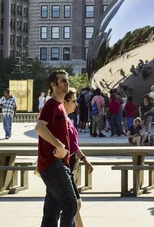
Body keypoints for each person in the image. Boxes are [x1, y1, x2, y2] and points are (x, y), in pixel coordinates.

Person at [34, 70, 78, 227]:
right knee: (70, 204)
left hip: (57, 165)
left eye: (67, 80)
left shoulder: (60, 106)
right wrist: (58, 145)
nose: (66, 83)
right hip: (54, 165)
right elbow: (39, 127)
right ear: (53, 85)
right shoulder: (51, 105)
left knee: (52, 213)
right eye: (62, 81)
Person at [62, 89, 93, 227]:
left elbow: (74, 145)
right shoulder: (61, 120)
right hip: (62, 168)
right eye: (74, 101)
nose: (76, 103)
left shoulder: (68, 119)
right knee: (74, 204)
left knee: (73, 205)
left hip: (69, 168)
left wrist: (84, 158)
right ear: (64, 102)